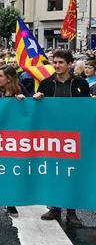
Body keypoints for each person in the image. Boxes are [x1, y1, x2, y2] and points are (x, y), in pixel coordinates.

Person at [34, 50, 89, 227]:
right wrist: (37, 99)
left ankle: (72, 212)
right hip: (53, 138)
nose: (57, 66)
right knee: (55, 172)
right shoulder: (46, 84)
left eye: (60, 63)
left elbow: (86, 109)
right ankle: (55, 208)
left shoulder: (80, 83)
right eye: (54, 62)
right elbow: (38, 111)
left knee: (73, 174)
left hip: (74, 137)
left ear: (69, 64)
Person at [0, 65, 25, 218]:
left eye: (0, 76)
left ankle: (11, 203)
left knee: (11, 171)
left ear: (9, 78)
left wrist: (25, 101)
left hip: (13, 139)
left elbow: (30, 108)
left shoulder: (19, 92)